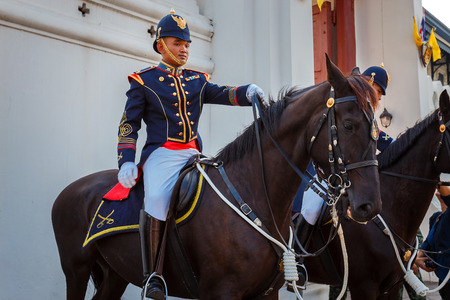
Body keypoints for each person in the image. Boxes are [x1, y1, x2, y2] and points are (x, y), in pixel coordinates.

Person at [116, 9, 265, 300]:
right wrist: (125, 162)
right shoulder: (143, 81)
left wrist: (248, 91)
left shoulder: (197, 80)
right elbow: (128, 125)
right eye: (177, 43)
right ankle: (153, 276)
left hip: (194, 154)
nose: (184, 49)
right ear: (161, 46)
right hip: (161, 154)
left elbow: (223, 93)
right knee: (157, 198)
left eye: (187, 44)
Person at [290, 65, 393, 296]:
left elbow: (379, 140)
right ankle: (298, 257)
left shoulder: (365, 112)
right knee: (313, 204)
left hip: (345, 176)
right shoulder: (344, 101)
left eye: (379, 92)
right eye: (376, 88)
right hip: (322, 170)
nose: (377, 95)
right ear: (367, 81)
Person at [415, 185, 450, 299]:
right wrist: (418, 259)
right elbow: (428, 245)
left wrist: (437, 176)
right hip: (443, 280)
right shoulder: (435, 218)